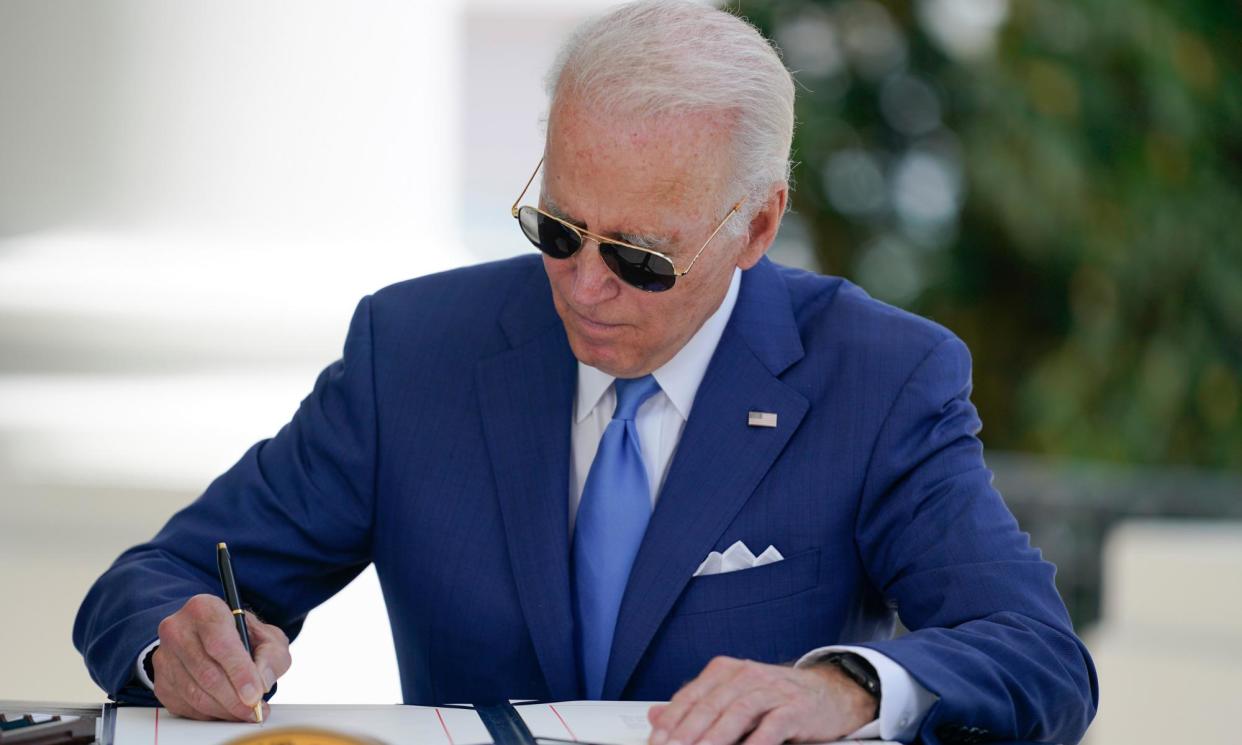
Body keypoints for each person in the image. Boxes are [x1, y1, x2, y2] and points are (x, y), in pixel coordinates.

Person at [73, 2, 1098, 743]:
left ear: (758, 225)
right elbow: (148, 584)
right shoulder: (416, 351)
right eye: (558, 229)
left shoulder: (878, 377)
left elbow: (1036, 654)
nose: (585, 285)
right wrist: (181, 651)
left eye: (641, 257)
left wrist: (850, 689)